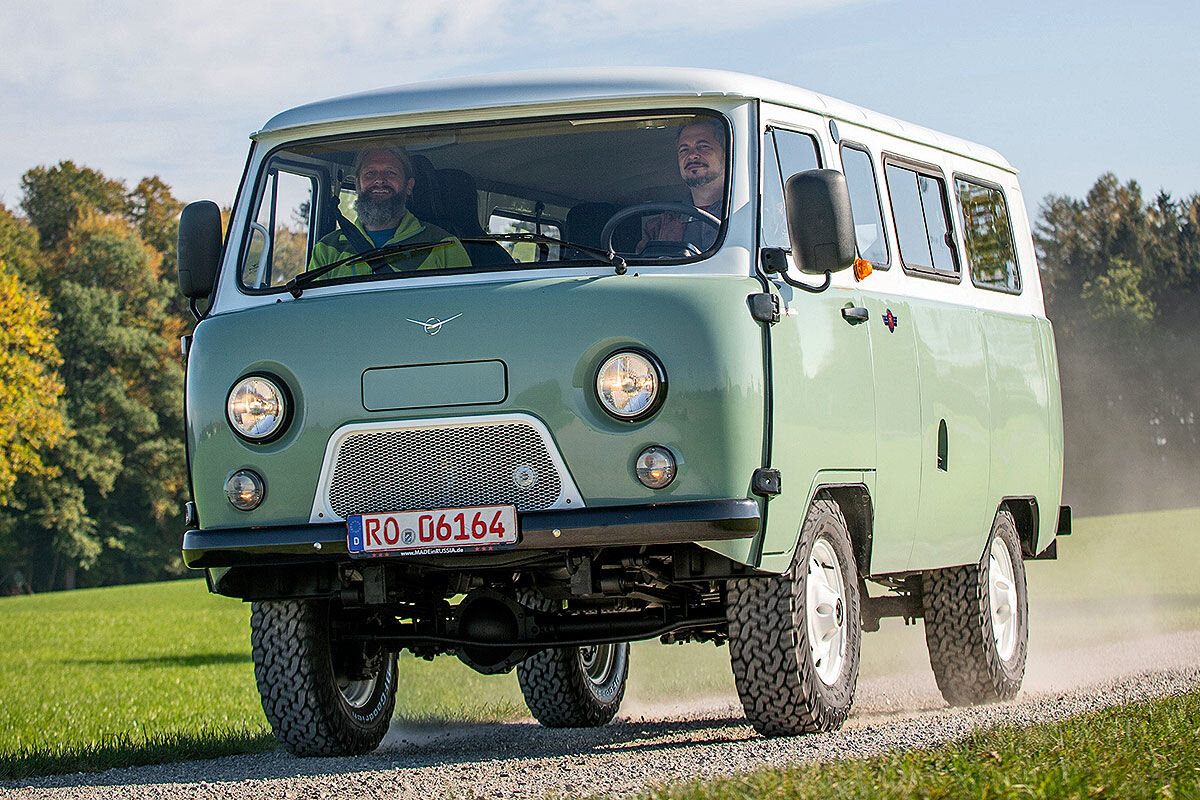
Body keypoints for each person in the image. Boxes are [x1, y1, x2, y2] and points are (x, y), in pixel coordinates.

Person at [308, 147, 471, 278]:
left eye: (391, 172)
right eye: (370, 173)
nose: (379, 180)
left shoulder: (444, 245)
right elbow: (313, 313)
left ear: (409, 186)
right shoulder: (327, 248)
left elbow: (463, 311)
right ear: (357, 185)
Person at [638, 119, 726, 253]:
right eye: (684, 150)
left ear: (726, 155)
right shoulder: (658, 227)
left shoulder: (749, 216)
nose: (692, 155)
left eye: (703, 146)